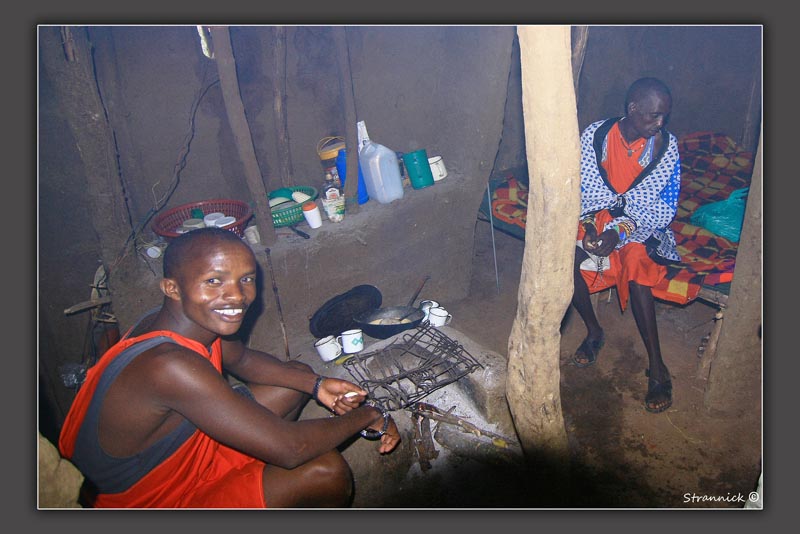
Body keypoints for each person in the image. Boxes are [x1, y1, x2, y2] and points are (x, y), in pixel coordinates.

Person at [58, 227, 400, 508]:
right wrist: (370, 416)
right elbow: (291, 449)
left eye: (246, 279)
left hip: (186, 461)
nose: (237, 296)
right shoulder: (169, 366)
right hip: (154, 501)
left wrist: (316, 384)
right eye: (214, 281)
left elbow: (243, 360)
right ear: (172, 288)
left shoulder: (177, 323)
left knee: (294, 377)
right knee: (325, 472)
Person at [570, 77, 681, 414]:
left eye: (664, 116)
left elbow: (662, 208)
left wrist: (620, 231)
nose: (660, 122)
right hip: (595, 216)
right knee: (565, 261)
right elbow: (582, 188)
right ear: (633, 109)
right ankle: (594, 332)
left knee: (637, 268)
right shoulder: (597, 135)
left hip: (643, 223)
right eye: (654, 115)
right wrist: (592, 226)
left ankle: (658, 368)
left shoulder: (666, 147)